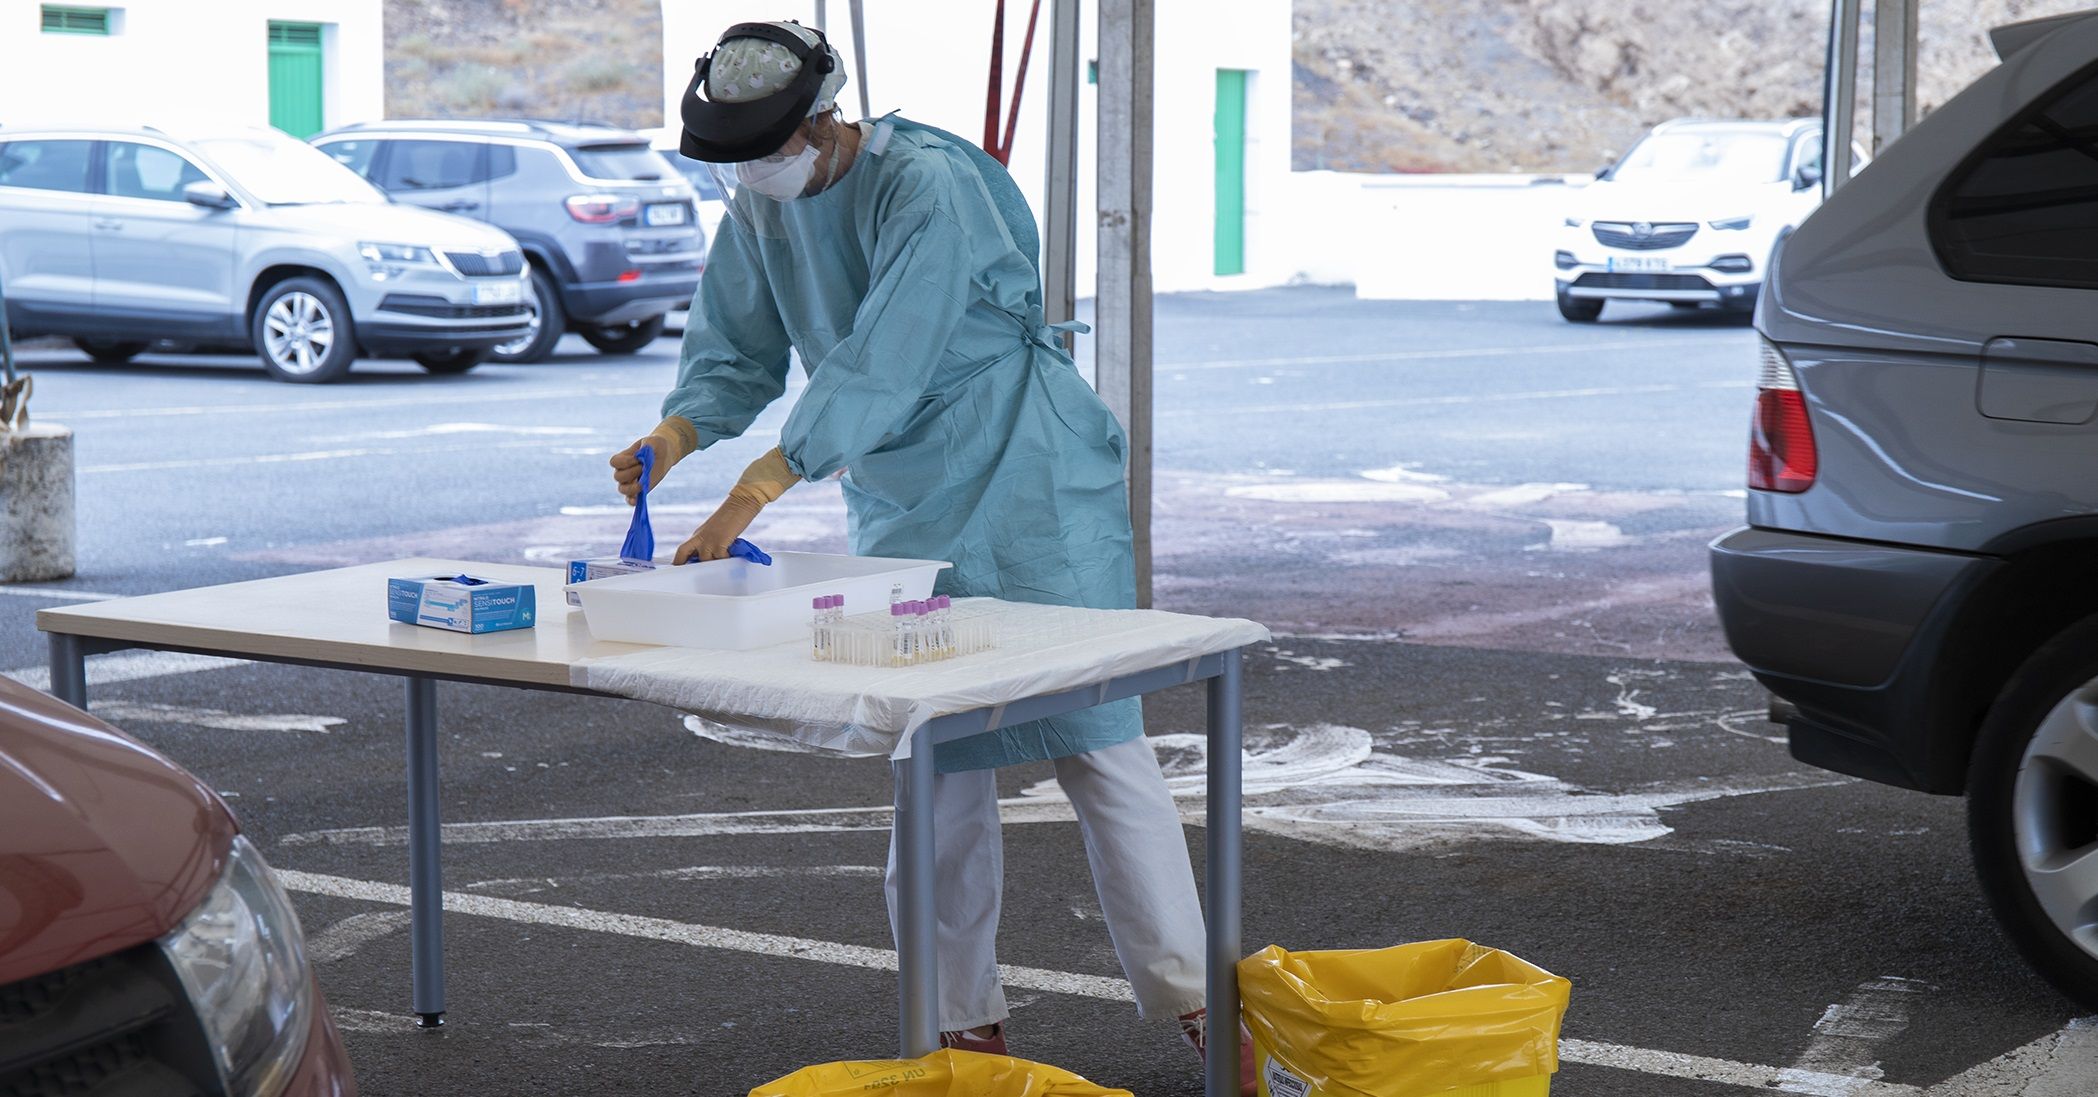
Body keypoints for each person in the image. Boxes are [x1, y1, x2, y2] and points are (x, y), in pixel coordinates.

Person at [609, 19, 1253, 1090]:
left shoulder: (928, 183)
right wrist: (679, 431)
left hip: (1030, 471)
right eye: (735, 160)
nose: (753, 175)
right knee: (937, 754)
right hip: (904, 493)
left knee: (1098, 739)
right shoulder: (761, 201)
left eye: (765, 151)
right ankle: (959, 1027)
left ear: (822, 121)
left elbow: (886, 356)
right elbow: (737, 347)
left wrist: (759, 485)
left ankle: (1205, 1008)